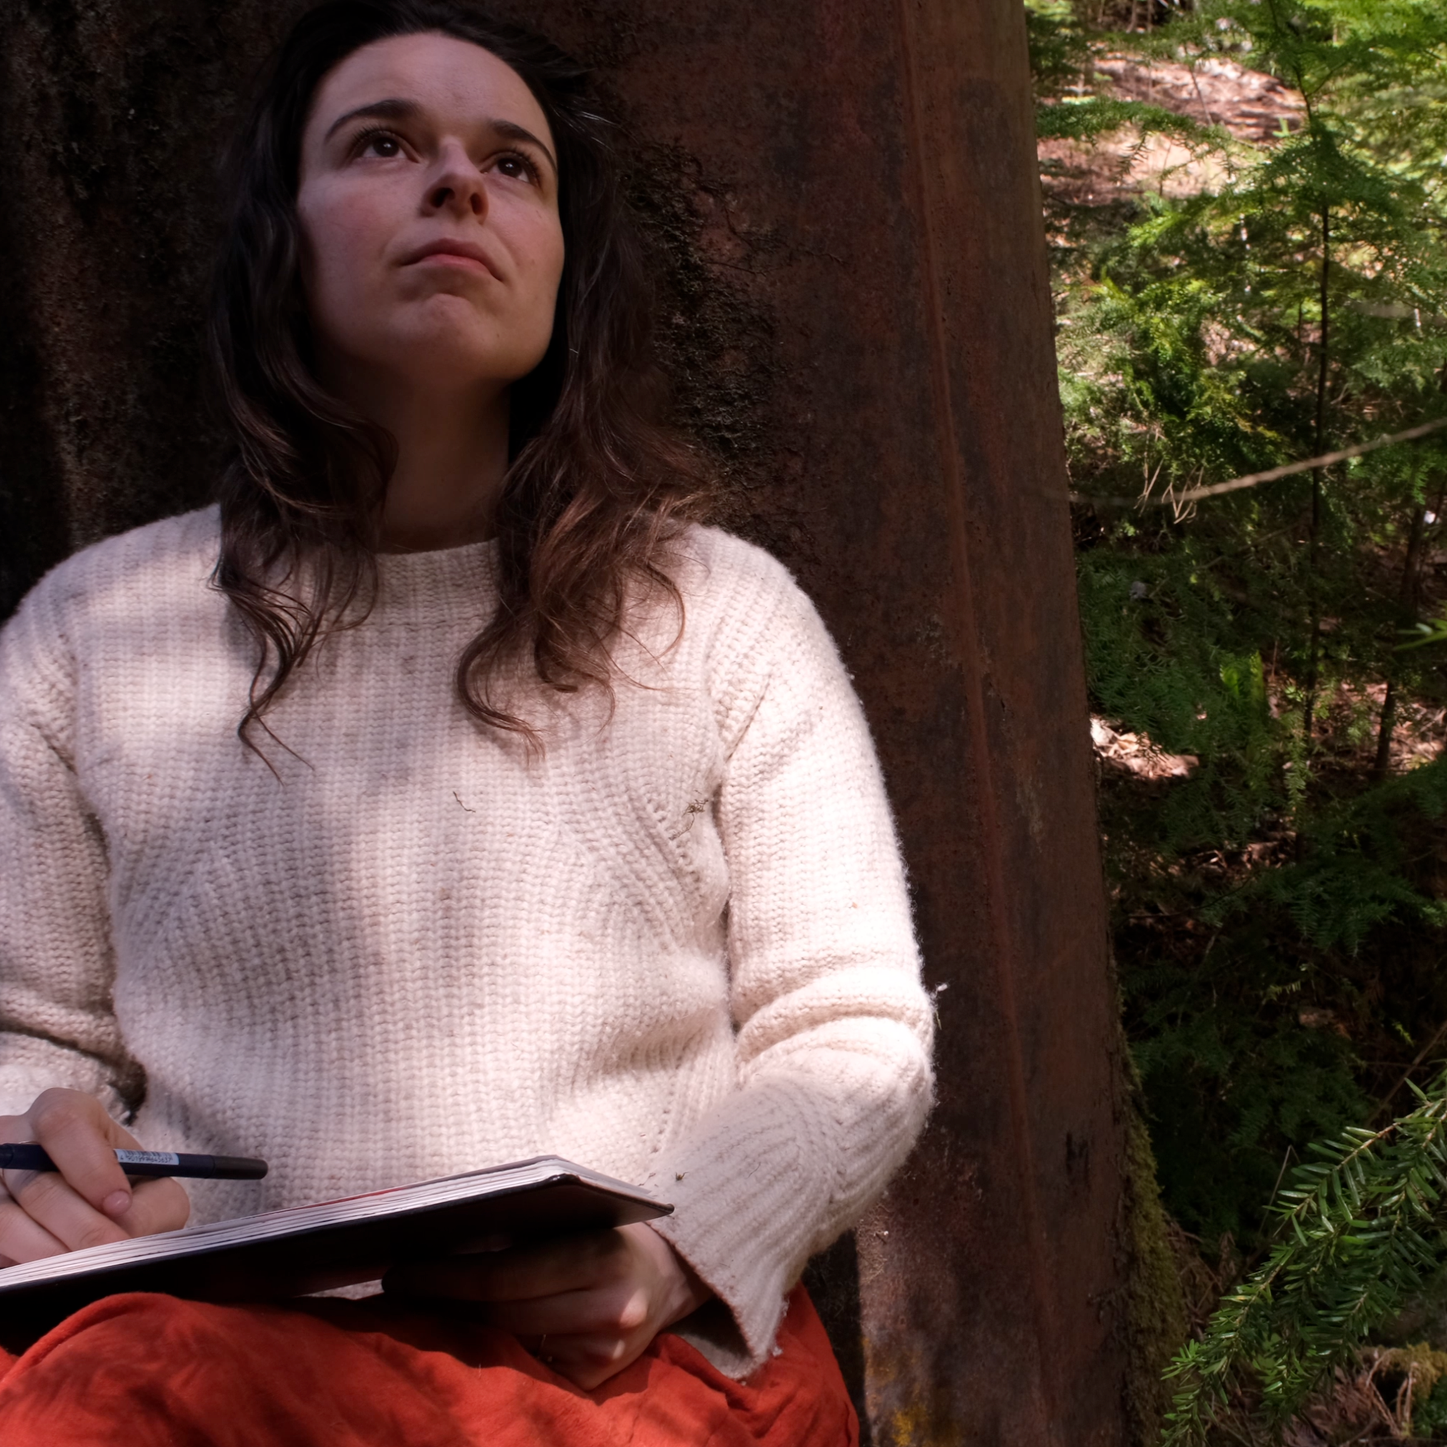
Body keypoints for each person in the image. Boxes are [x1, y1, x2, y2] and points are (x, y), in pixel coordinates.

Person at [0, 1, 933, 1441]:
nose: (457, 183)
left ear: (564, 266)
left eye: (514, 165)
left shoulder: (719, 614)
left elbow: (854, 1028)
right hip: (217, 1372)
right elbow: (23, 1035)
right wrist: (31, 1154)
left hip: (632, 1371)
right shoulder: (87, 636)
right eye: (383, 143)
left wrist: (680, 1245)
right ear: (278, 233)